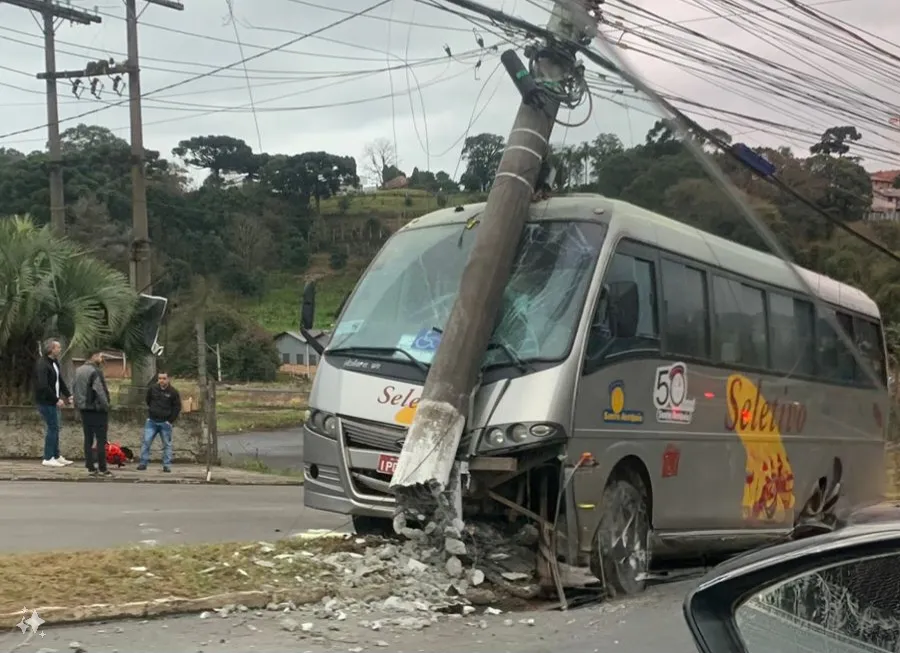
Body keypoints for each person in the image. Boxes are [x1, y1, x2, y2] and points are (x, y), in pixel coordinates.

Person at [33, 338, 74, 468]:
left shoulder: (54, 362)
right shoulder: (42, 364)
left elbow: (59, 381)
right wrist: (56, 399)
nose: (60, 349)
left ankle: (56, 455)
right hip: (46, 402)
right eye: (58, 347)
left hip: (53, 401)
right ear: (51, 349)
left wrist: (68, 395)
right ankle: (48, 457)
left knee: (56, 428)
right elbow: (43, 386)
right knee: (52, 428)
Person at [73, 350, 112, 477]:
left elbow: (74, 388)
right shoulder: (95, 372)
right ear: (94, 356)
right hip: (97, 410)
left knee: (88, 439)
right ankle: (102, 468)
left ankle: (90, 466)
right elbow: (99, 391)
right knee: (101, 439)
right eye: (100, 356)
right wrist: (106, 405)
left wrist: (78, 405)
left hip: (84, 409)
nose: (101, 358)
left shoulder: (78, 370)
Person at [138, 371, 181, 473]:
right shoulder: (152, 389)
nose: (162, 380)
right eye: (160, 378)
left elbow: (177, 407)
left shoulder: (173, 392)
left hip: (165, 423)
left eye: (164, 378)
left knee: (167, 445)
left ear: (168, 379)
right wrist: (152, 411)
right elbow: (148, 400)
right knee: (146, 442)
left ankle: (166, 465)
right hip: (152, 421)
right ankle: (143, 463)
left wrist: (170, 421)